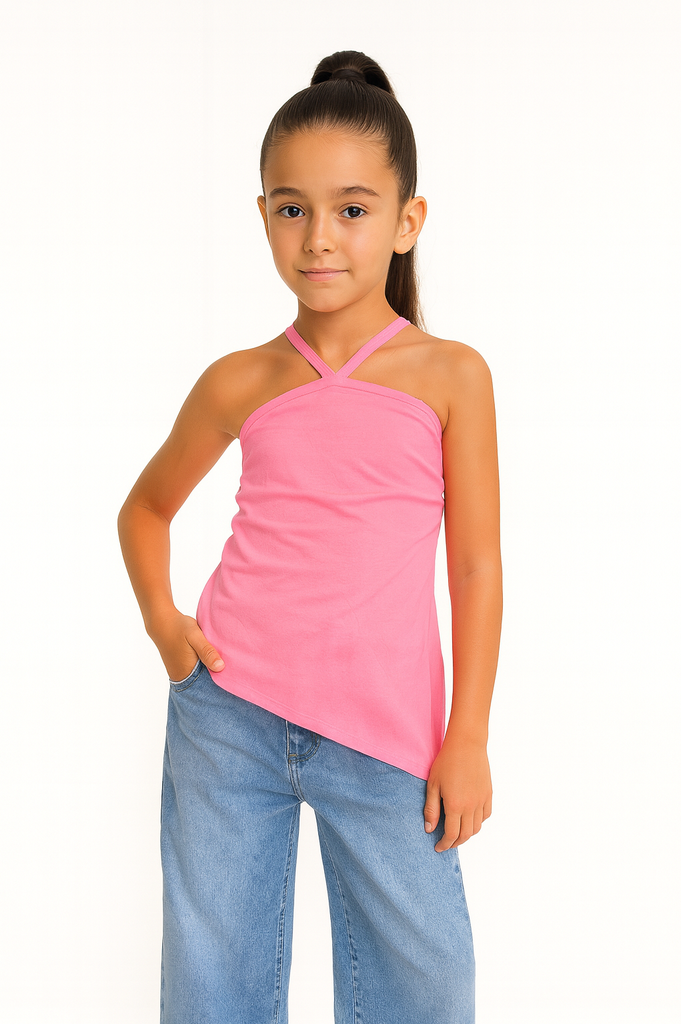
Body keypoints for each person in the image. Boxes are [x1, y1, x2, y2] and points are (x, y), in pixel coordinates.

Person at [118, 48, 502, 1024]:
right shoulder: (239, 379)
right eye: (291, 208)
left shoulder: (449, 375)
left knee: (425, 988)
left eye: (352, 209)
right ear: (262, 216)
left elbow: (474, 565)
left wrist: (466, 734)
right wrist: (166, 626)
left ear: (406, 221)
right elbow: (144, 509)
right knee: (213, 988)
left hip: (385, 727)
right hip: (227, 714)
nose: (319, 237)